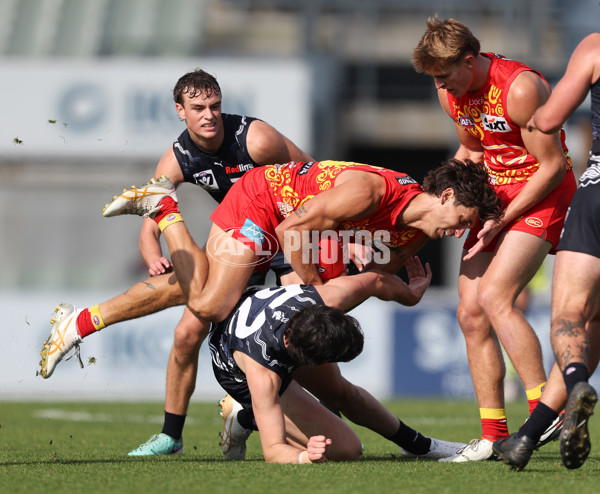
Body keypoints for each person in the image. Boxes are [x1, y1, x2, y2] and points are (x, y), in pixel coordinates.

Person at [39, 158, 501, 457]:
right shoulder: (370, 191)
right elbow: (296, 223)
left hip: (299, 235)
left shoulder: (414, 233)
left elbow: (373, 275)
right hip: (263, 203)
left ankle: (422, 447)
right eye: (463, 220)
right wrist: (314, 287)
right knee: (209, 303)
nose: (461, 231)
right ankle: (164, 209)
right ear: (446, 197)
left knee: (332, 385)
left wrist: (404, 290)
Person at [42, 68, 315, 456]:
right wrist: (155, 259)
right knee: (187, 334)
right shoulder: (176, 159)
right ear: (179, 111)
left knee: (303, 342)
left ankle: (247, 418)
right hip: (240, 242)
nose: (209, 115)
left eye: (215, 106)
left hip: (288, 242)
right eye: (199, 107)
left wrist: (323, 234)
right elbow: (150, 226)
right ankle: (172, 436)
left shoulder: (256, 138)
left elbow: (314, 175)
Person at [412, 17, 577, 462]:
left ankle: (549, 411)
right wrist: (436, 197)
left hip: (540, 196)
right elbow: (473, 151)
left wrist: (503, 216)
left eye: (445, 75)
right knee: (469, 314)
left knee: (495, 296)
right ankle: (491, 436)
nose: (441, 85)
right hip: (494, 197)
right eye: (435, 79)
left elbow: (552, 166)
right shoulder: (448, 90)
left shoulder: (520, 89)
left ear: (469, 60)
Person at [211, 257, 467, 463]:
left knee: (343, 393)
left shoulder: (323, 298)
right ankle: (242, 417)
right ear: (306, 361)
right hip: (236, 368)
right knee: (347, 449)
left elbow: (375, 279)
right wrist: (304, 456)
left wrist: (409, 295)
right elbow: (274, 450)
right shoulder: (263, 373)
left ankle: (418, 446)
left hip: (276, 330)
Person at [493, 32, 600, 471]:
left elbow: (549, 119)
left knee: (571, 317)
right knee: (596, 324)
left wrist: (529, 116)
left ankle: (575, 383)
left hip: (598, 195)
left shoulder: (595, 46)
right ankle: (528, 435)